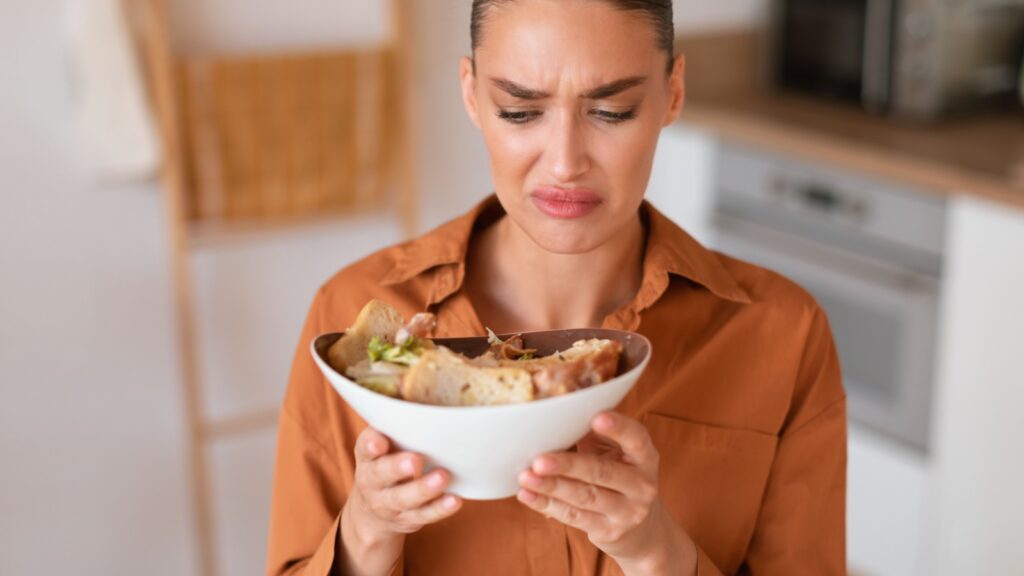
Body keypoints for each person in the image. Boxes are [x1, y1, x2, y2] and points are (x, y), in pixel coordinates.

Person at [266, 1, 846, 574]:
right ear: (471, 94)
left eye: (612, 110)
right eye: (520, 111)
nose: (565, 163)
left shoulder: (782, 333)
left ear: (672, 92)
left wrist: (657, 554)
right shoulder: (349, 320)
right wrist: (365, 538)